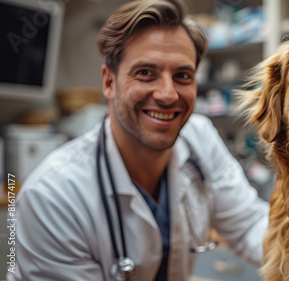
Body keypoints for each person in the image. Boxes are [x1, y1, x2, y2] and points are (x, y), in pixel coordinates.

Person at [7, 0, 269, 280]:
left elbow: (250, 226)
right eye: (146, 73)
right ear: (109, 82)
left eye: (182, 75)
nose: (168, 94)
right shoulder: (52, 197)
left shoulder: (199, 136)